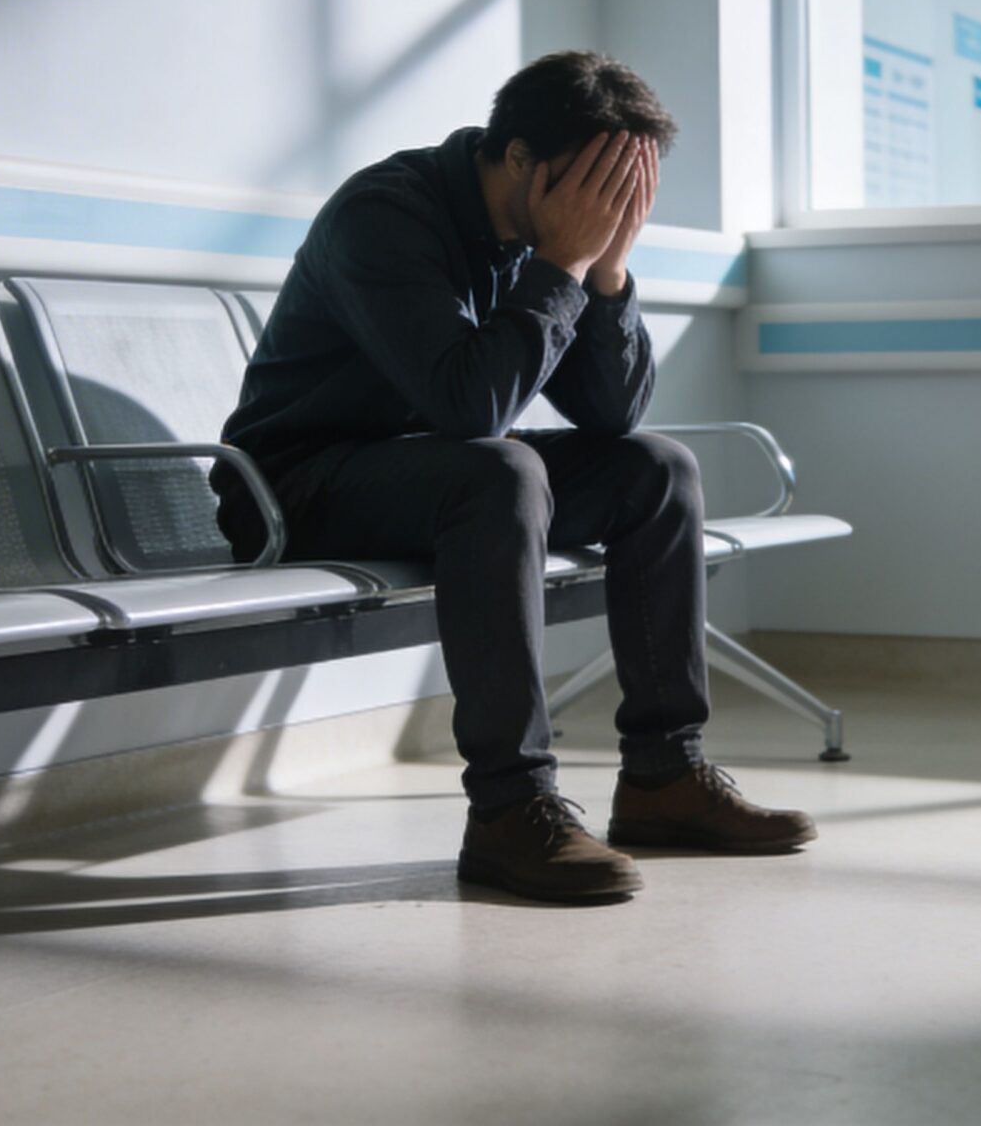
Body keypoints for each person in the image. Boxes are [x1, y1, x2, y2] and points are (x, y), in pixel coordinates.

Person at [212, 51, 816, 902]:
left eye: (623, 195)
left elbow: (613, 416)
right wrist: (564, 266)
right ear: (523, 159)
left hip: (441, 477)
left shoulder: (542, 239)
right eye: (591, 187)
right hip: (294, 487)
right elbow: (469, 407)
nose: (603, 212)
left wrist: (606, 273)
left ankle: (662, 779)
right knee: (499, 470)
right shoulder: (384, 214)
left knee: (657, 469)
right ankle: (509, 808)